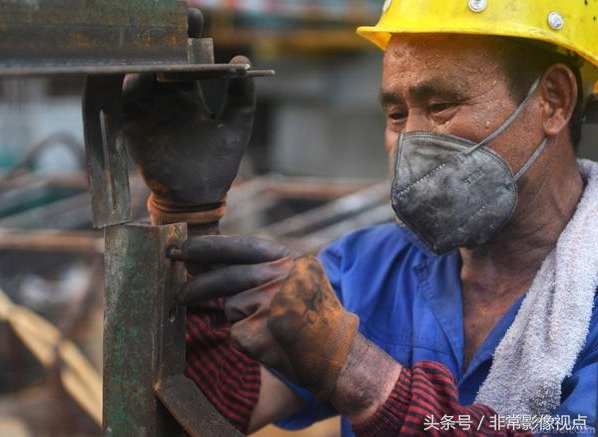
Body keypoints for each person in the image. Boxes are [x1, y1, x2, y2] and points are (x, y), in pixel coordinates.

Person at [122, 2, 598, 435]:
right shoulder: (367, 267)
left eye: (440, 107)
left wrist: (357, 372)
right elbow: (224, 402)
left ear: (553, 101)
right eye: (395, 113)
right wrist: (186, 216)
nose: (408, 140)